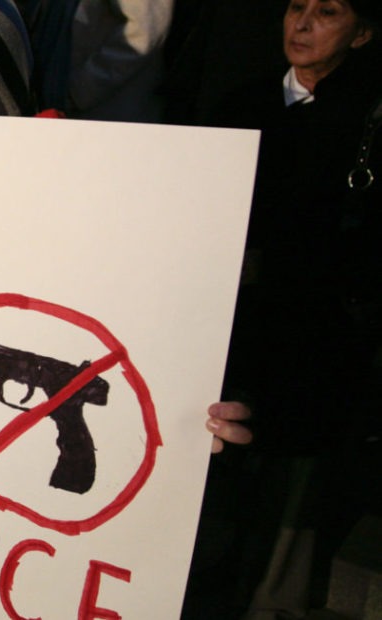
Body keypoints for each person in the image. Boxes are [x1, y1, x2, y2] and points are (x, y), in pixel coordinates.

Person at [184, 1, 381, 616]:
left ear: (363, 32)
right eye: (297, 7)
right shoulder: (240, 105)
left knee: (293, 497)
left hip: (320, 338)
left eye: (327, 11)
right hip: (230, 325)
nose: (303, 23)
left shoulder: (369, 116)